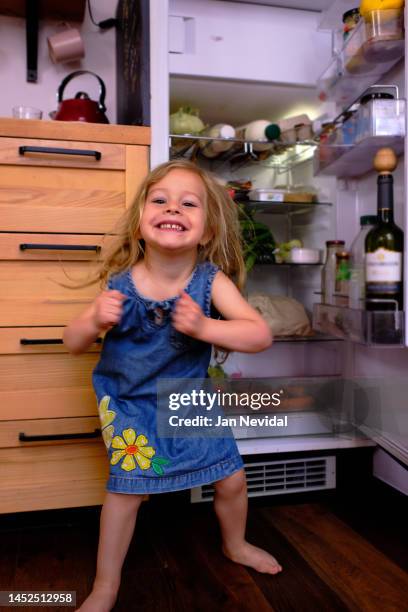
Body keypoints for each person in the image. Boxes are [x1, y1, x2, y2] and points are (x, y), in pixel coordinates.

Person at [63, 159, 281, 612]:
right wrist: (91, 319)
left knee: (232, 479)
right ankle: (106, 586)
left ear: (205, 232)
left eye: (188, 203)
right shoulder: (119, 283)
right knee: (127, 491)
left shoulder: (209, 281)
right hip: (127, 403)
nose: (173, 208)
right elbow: (72, 343)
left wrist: (205, 327)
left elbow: (258, 335)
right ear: (142, 222)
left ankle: (235, 545)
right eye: (160, 200)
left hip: (187, 398)